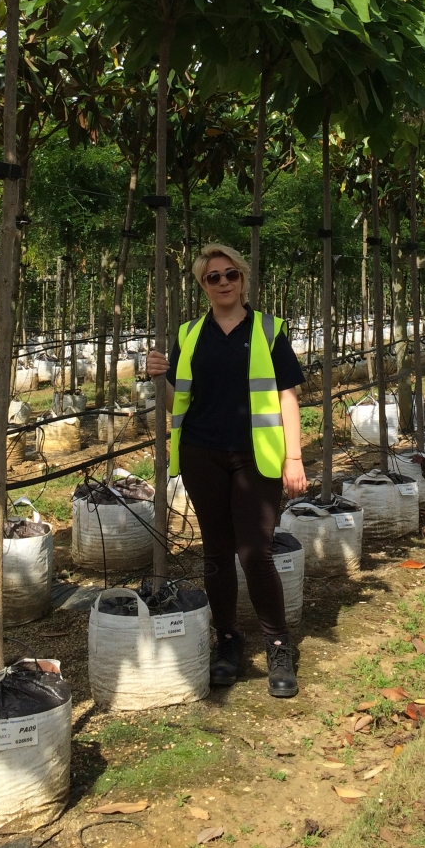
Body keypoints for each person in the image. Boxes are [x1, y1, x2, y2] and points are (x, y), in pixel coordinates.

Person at [146, 243, 307, 698]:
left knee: (255, 551)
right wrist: (160, 370)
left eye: (230, 274)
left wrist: (293, 458)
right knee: (215, 552)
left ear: (243, 278)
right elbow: (186, 388)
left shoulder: (269, 330)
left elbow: (287, 396)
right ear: (203, 286)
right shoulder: (190, 333)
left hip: (256, 456)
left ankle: (277, 644)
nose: (222, 282)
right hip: (202, 452)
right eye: (212, 277)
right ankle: (229, 641)